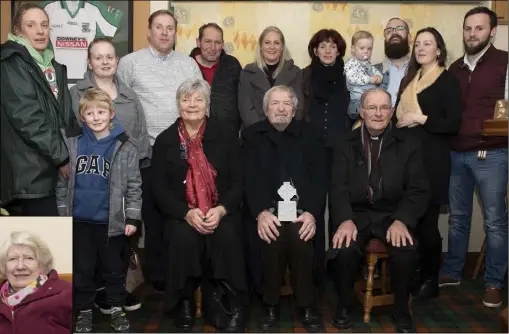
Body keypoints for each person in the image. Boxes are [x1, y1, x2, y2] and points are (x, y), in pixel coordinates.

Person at [328, 88, 429, 333]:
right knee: (343, 250)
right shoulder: (344, 143)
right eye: (371, 108)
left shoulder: (410, 143)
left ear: (392, 112)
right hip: (356, 214)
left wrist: (402, 220)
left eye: (384, 108)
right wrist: (344, 219)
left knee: (406, 251)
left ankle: (401, 309)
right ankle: (343, 305)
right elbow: (338, 187)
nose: (378, 113)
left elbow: (418, 189)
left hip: (392, 215)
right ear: (361, 112)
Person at [151, 79, 248, 332]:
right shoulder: (165, 141)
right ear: (178, 104)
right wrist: (186, 213)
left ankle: (226, 303)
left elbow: (239, 182)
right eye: (186, 99)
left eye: (198, 99)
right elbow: (158, 189)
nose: (192, 104)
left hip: (221, 210)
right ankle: (183, 302)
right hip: (181, 214)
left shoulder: (225, 135)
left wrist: (221, 209)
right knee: (183, 238)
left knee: (226, 235)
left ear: (208, 104)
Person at [116, 9, 202, 292]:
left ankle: (183, 272)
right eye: (159, 27)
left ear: (175, 33)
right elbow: (120, 105)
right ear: (149, 31)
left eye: (170, 28)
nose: (165, 33)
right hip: (147, 152)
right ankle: (158, 277)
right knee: (152, 215)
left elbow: (200, 101)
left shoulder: (188, 64)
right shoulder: (129, 63)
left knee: (179, 213)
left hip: (183, 151)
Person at [70, 37, 150, 314]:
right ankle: (89, 299)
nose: (105, 61)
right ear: (89, 62)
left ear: (117, 61)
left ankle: (113, 295)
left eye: (110, 57)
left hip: (123, 184)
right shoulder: (75, 94)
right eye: (98, 57)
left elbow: (139, 136)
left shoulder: (129, 96)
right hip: (88, 184)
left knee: (116, 249)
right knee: (86, 253)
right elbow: (68, 136)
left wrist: (135, 178)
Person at [56, 88, 142, 333]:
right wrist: (63, 215)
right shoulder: (72, 145)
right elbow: (62, 184)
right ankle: (84, 310)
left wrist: (133, 217)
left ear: (111, 113)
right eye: (90, 112)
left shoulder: (124, 146)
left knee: (113, 269)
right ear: (82, 116)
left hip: (111, 223)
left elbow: (135, 185)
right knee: (82, 269)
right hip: (80, 222)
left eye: (101, 111)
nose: (96, 117)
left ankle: (115, 307)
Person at [440, 6, 508, 309]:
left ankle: (494, 282)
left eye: (479, 28)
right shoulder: (454, 68)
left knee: (495, 222)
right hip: (456, 152)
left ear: (492, 31)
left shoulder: (504, 62)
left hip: (492, 152)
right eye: (468, 28)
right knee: (458, 218)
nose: (472, 34)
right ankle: (453, 270)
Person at [243, 85, 326, 333]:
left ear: (294, 109)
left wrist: (311, 212)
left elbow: (319, 178)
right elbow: (248, 179)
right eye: (275, 103)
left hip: (302, 210)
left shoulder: (311, 135)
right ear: (266, 109)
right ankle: (270, 303)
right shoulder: (251, 136)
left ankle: (307, 303)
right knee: (272, 234)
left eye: (286, 103)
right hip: (265, 211)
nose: (280, 108)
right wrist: (261, 213)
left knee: (300, 237)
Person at [395, 27, 462, 301]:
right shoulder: (410, 79)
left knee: (427, 224)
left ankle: (430, 279)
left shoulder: (447, 80)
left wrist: (420, 118)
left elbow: (452, 123)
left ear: (439, 49)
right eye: (418, 44)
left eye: (428, 43)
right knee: (409, 220)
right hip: (407, 160)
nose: (421, 48)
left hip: (432, 161)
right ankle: (413, 273)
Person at [0, 3, 77, 216]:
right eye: (31, 25)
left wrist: (77, 151)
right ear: (18, 30)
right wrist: (62, 157)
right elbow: (28, 118)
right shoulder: (11, 63)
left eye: (44, 25)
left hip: (52, 171)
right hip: (30, 177)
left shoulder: (54, 66)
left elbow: (65, 116)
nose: (40, 31)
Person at [301, 28, 350, 285]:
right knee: (315, 208)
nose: (328, 50)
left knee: (341, 207)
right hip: (313, 151)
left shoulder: (349, 74)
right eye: (322, 46)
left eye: (332, 46)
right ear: (315, 50)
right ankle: (316, 268)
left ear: (339, 50)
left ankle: (339, 266)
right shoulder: (305, 75)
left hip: (343, 151)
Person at [0, 231, 72, 334]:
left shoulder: (66, 294)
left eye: (29, 258)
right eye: (13, 259)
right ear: (4, 266)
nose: (20, 266)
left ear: (42, 265)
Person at [238, 26, 304, 130]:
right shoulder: (247, 73)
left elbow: (298, 108)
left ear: (282, 47)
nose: (272, 47)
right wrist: (263, 132)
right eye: (267, 42)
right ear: (261, 46)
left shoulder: (295, 72)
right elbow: (246, 110)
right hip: (255, 134)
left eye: (276, 43)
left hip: (287, 134)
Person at [190, 23, 243, 134]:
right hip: (194, 136)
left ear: (222, 44)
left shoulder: (232, 65)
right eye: (208, 41)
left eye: (217, 43)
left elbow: (242, 100)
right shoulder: (186, 66)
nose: (212, 48)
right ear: (198, 42)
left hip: (227, 137)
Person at [345, 30, 383, 121]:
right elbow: (352, 78)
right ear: (353, 49)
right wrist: (369, 79)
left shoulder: (368, 64)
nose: (366, 51)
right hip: (358, 100)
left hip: (370, 99)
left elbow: (376, 72)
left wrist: (379, 77)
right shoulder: (351, 63)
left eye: (369, 48)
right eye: (362, 48)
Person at [374, 18, 412, 105]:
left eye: (400, 29)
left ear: (409, 38)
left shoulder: (421, 71)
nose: (394, 33)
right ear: (385, 40)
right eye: (389, 30)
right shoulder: (371, 72)